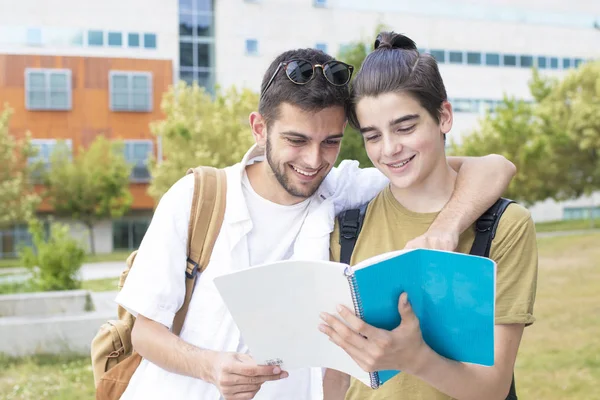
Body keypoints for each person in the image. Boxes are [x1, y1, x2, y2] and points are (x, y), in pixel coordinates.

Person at [115, 46, 517, 400]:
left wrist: (447, 225)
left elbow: (492, 167)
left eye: (330, 142)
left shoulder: (340, 188)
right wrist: (210, 366)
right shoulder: (196, 197)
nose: (313, 161)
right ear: (260, 128)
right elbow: (143, 333)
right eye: (296, 140)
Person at [320, 32, 538, 400]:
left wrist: (414, 358)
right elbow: (337, 376)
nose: (390, 149)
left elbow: (494, 389)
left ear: (444, 116)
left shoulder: (505, 227)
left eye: (405, 127)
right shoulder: (346, 229)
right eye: (373, 136)